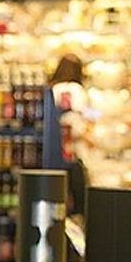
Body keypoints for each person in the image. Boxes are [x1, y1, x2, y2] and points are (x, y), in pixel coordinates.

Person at [50, 54, 89, 217]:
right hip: (74, 148)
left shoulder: (52, 89)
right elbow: (86, 116)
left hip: (54, 147)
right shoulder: (77, 90)